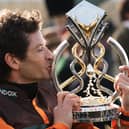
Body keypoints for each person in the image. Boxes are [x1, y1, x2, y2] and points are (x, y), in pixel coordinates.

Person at [0, 9, 129, 129]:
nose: (50, 55)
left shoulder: (53, 95)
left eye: (46, 46)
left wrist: (126, 111)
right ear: (13, 61)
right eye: (40, 49)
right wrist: (61, 125)